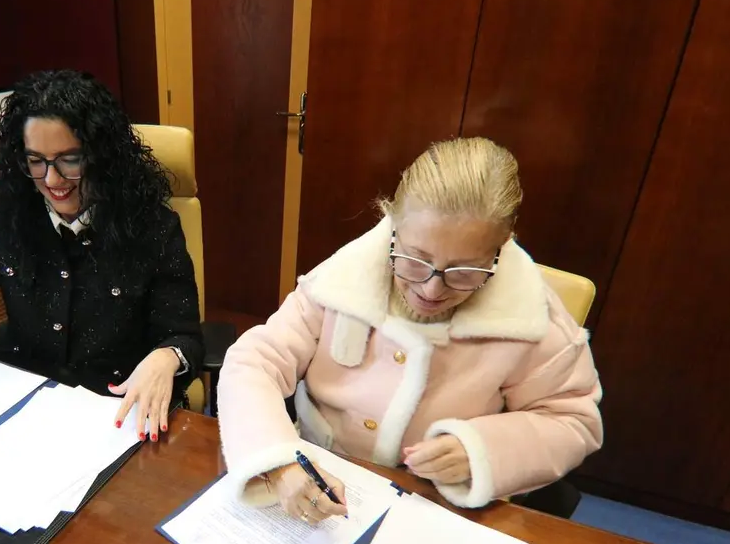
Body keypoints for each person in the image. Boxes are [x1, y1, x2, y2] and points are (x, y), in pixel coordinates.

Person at [216, 137, 603, 522]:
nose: (431, 290)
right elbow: (254, 362)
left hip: (436, 509)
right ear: (393, 227)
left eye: (465, 273)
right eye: (415, 262)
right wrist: (279, 462)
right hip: (322, 482)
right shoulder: (340, 280)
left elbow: (572, 420)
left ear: (501, 246)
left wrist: (480, 451)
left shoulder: (532, 317)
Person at [0, 70, 203, 440]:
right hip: (25, 407)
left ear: (101, 156)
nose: (52, 181)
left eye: (69, 160)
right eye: (36, 160)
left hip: (114, 413)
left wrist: (166, 357)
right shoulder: (10, 218)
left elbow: (184, 337)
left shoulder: (153, 228)